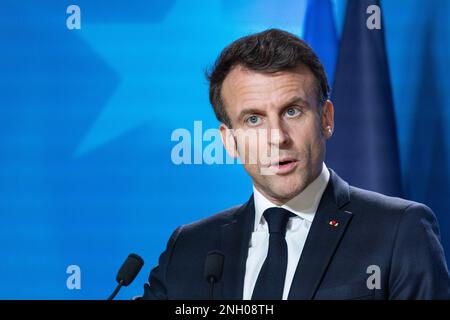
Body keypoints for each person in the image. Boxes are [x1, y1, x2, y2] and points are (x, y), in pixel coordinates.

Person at [141, 29, 450, 300]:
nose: (277, 138)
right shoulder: (189, 248)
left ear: (326, 119)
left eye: (292, 111)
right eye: (253, 119)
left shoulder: (400, 232)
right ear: (229, 141)